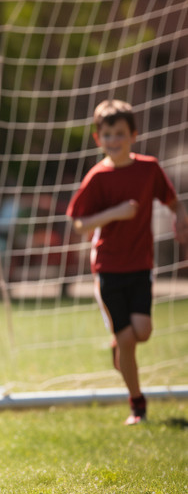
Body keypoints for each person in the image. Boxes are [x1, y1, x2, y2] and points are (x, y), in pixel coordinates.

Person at [67, 99, 188, 426]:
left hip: (141, 266)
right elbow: (79, 223)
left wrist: (180, 217)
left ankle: (118, 346)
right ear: (98, 139)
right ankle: (137, 405)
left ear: (133, 135)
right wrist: (115, 213)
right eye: (107, 135)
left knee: (142, 332)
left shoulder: (149, 169)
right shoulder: (97, 178)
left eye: (120, 133)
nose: (114, 140)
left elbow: (172, 200)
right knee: (128, 341)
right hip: (107, 268)